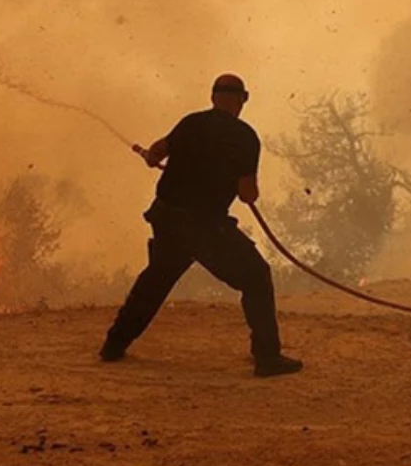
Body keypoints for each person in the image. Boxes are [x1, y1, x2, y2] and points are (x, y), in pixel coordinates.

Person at [99, 73, 303, 377]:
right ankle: (267, 358)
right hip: (206, 227)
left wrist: (150, 156)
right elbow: (247, 193)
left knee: (156, 280)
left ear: (213, 97)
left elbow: (157, 152)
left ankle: (113, 345)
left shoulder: (191, 123)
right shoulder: (245, 137)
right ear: (242, 99)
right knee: (256, 276)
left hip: (168, 218)